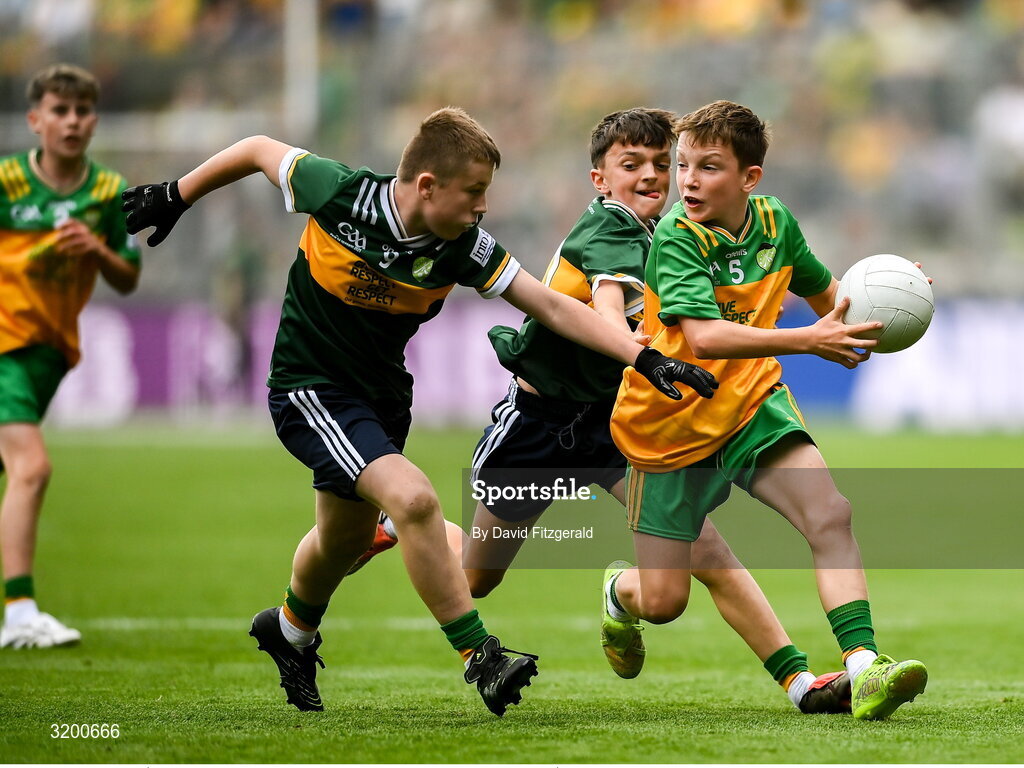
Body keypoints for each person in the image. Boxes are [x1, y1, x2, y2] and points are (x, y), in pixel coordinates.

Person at [120, 107, 716, 717]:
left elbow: (553, 307)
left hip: (382, 398)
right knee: (414, 500)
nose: (483, 207)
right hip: (312, 387)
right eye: (475, 192)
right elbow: (254, 148)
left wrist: (640, 359)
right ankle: (479, 655)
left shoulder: (464, 247)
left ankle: (291, 630)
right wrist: (177, 193)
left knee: (340, 538)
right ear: (427, 185)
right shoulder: (340, 192)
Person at [362, 107, 852, 714]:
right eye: (630, 164)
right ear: (601, 181)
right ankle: (402, 526)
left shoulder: (675, 234)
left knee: (709, 555)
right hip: (538, 429)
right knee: (473, 578)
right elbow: (607, 301)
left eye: (657, 163)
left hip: (619, 425)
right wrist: (632, 339)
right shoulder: (608, 230)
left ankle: (800, 682)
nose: (652, 175)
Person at [605, 100, 928, 721]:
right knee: (665, 600)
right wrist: (808, 341)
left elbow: (832, 302)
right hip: (668, 426)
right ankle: (622, 595)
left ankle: (865, 668)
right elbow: (704, 338)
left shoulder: (776, 224)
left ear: (749, 179)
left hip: (753, 404)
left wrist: (895, 293)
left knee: (830, 513)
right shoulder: (676, 237)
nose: (688, 180)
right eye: (682, 166)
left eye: (708, 167)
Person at [0, 64, 141, 650]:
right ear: (35, 120)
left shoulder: (107, 191)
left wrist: (98, 249)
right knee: (31, 468)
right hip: (4, 345)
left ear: (95, 120)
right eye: (60, 111)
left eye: (82, 111)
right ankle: (20, 612)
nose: (72, 121)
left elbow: (129, 276)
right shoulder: (6, 182)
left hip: (49, 356)